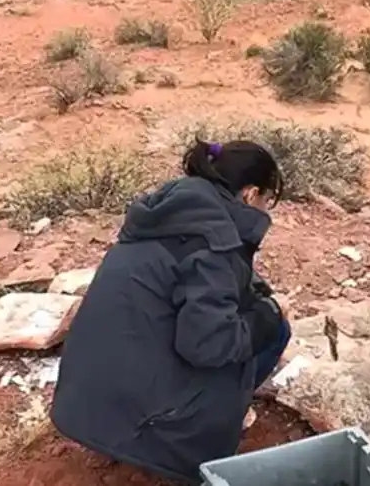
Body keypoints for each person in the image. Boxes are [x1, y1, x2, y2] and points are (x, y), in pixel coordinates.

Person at [49, 140, 290, 485]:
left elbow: (203, 275)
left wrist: (257, 294)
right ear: (251, 194)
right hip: (144, 423)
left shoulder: (168, 214)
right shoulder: (216, 242)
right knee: (270, 332)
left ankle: (141, 429)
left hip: (84, 403)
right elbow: (208, 344)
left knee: (248, 317)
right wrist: (270, 313)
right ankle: (199, 429)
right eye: (268, 201)